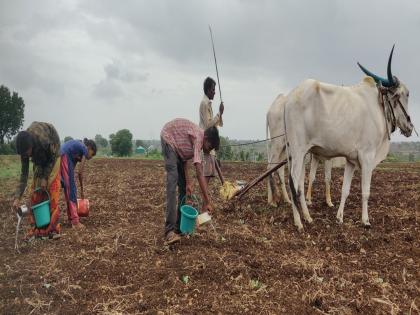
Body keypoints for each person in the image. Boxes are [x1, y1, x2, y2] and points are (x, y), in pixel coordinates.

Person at [160, 118, 220, 245]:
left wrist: (188, 182)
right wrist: (207, 201)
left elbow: (185, 158)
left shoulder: (197, 141)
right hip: (168, 138)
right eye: (210, 147)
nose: (208, 151)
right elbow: (199, 172)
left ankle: (179, 228)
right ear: (206, 138)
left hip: (178, 150)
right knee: (172, 181)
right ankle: (169, 232)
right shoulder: (199, 138)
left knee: (183, 189)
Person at [12, 121, 61, 239]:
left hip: (53, 154)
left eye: (27, 153)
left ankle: (53, 229)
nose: (26, 157)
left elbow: (51, 158)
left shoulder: (43, 140)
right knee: (35, 191)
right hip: (39, 156)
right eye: (23, 155)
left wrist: (45, 177)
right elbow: (24, 174)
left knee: (51, 187)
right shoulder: (24, 149)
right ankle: (36, 229)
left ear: (31, 146)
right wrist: (17, 197)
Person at [60, 138, 97, 229]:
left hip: (60, 156)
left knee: (68, 187)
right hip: (63, 156)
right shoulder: (84, 148)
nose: (91, 157)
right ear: (89, 148)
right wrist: (82, 191)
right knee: (71, 190)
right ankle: (75, 222)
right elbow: (80, 172)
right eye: (92, 153)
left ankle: (71, 217)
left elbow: (72, 168)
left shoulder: (77, 150)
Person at [199, 77, 224, 184]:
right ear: (208, 90)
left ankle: (204, 198)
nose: (214, 92)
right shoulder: (204, 103)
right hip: (206, 144)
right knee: (207, 174)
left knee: (209, 174)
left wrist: (219, 114)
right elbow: (208, 125)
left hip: (210, 143)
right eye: (213, 90)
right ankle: (204, 198)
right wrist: (219, 113)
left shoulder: (207, 103)